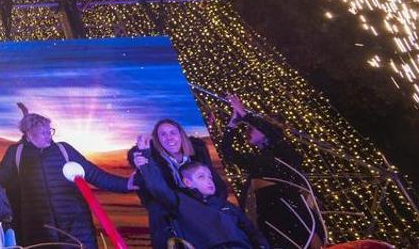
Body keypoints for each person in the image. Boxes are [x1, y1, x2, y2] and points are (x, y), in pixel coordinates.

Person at [0, 103, 136, 248]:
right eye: (43, 133)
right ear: (29, 134)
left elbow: (94, 174)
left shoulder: (64, 150)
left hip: (77, 228)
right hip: (39, 231)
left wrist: (126, 184)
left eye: (50, 131)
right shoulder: (16, 153)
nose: (49, 136)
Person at [218, 95, 323, 249]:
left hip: (286, 203)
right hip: (264, 208)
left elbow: (273, 132)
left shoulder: (282, 150)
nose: (248, 130)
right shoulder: (256, 159)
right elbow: (227, 153)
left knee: (303, 238)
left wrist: (245, 115)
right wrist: (233, 123)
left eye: (252, 127)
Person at [133, 140, 269, 249]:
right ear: (188, 182)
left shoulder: (227, 206)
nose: (209, 181)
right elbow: (158, 188)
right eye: (201, 177)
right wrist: (146, 156)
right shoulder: (181, 201)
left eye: (210, 177)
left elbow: (252, 231)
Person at [128, 119, 229, 249]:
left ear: (181, 135)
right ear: (157, 140)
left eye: (173, 132)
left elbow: (216, 184)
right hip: (172, 211)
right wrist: (143, 161)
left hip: (200, 207)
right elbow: (156, 191)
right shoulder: (153, 159)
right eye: (163, 134)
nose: (169, 137)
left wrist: (213, 206)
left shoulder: (198, 152)